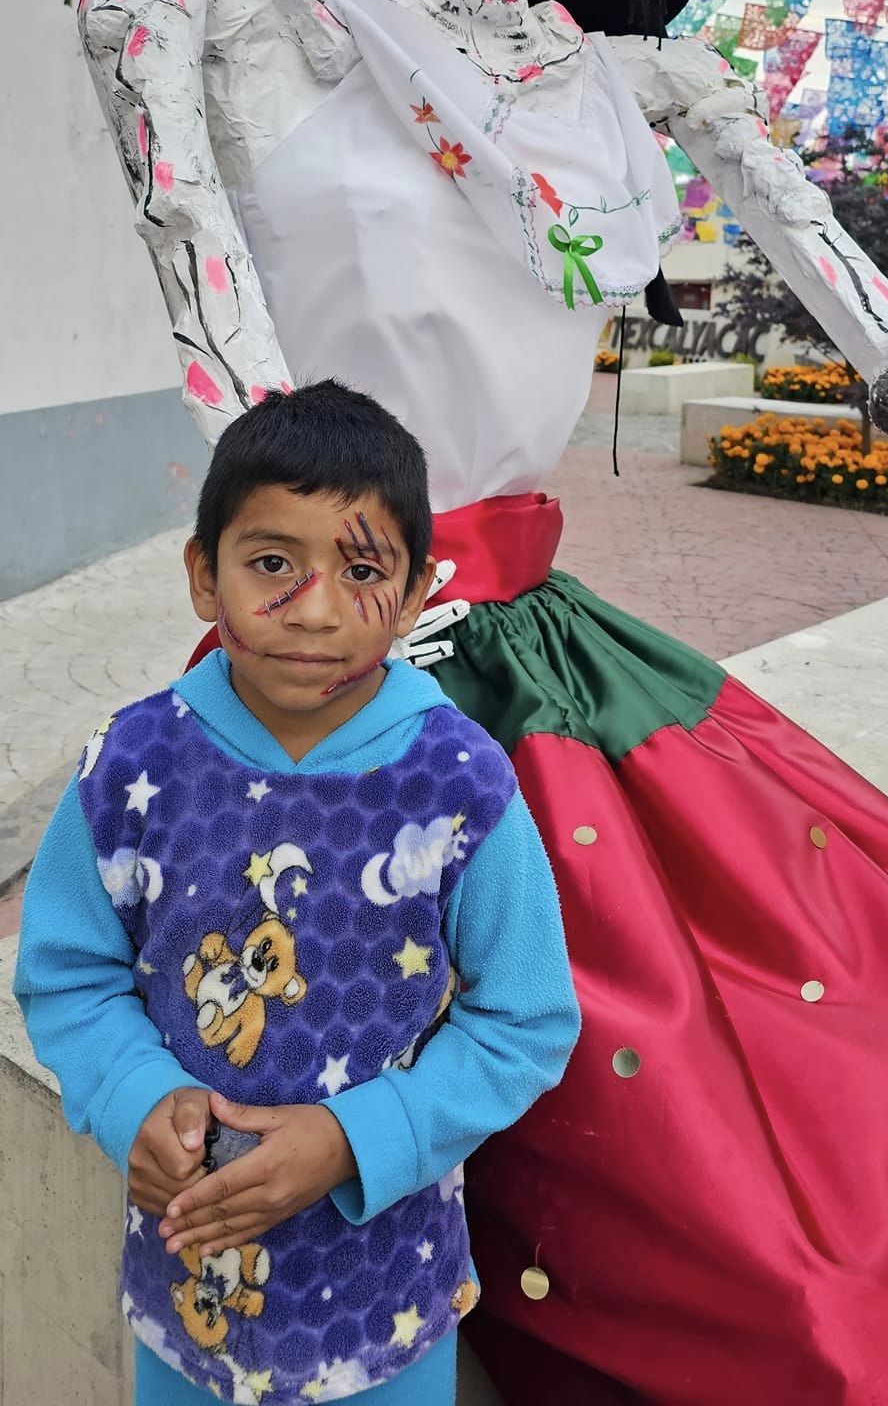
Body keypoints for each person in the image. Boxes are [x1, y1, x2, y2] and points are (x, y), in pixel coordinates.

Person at [77, 0, 888, 1400]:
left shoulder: (619, 70)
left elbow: (878, 336)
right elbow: (231, 359)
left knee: (826, 1069)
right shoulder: (225, 24)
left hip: (549, 656)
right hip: (332, 653)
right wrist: (299, 637)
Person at [14, 381, 581, 1406]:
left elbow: (527, 1019)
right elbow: (68, 972)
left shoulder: (459, 782)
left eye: (361, 569)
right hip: (183, 1306)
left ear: (416, 595)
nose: (313, 607)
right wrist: (135, 1094)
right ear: (203, 573)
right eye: (272, 561)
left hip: (386, 1317)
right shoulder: (131, 762)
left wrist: (357, 1138)